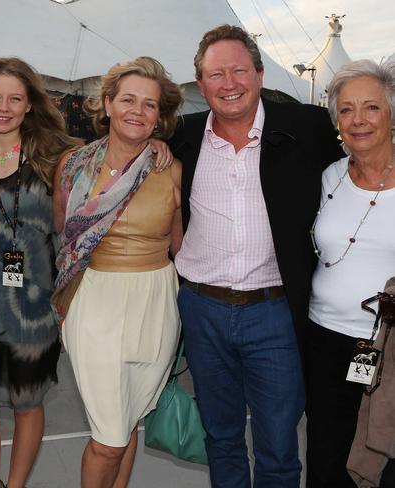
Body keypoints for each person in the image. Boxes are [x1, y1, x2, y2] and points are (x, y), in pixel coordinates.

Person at [168, 25, 344, 488]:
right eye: (216, 74)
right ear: (200, 84)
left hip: (275, 314)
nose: (229, 83)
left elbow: (365, 154)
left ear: (260, 74)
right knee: (221, 437)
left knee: (278, 446)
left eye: (239, 70)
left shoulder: (308, 127)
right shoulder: (179, 137)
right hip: (202, 310)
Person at [53, 56, 183, 488]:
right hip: (95, 304)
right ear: (106, 103)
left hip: (155, 303)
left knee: (127, 423)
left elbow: (181, 246)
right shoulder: (71, 167)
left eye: (150, 105)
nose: (137, 111)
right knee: (108, 437)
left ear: (159, 117)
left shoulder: (171, 168)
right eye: (128, 99)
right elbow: (64, 236)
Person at [0, 57, 80, 488]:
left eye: (15, 98)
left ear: (30, 105)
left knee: (28, 402)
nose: (3, 107)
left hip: (34, 303)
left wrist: (155, 145)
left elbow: (113, 156)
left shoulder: (56, 155)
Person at [305, 60, 395, 488]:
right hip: (325, 340)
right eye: (346, 109)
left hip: (390, 348)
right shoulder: (330, 177)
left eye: (372, 107)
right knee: (327, 453)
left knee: (383, 454)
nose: (358, 119)